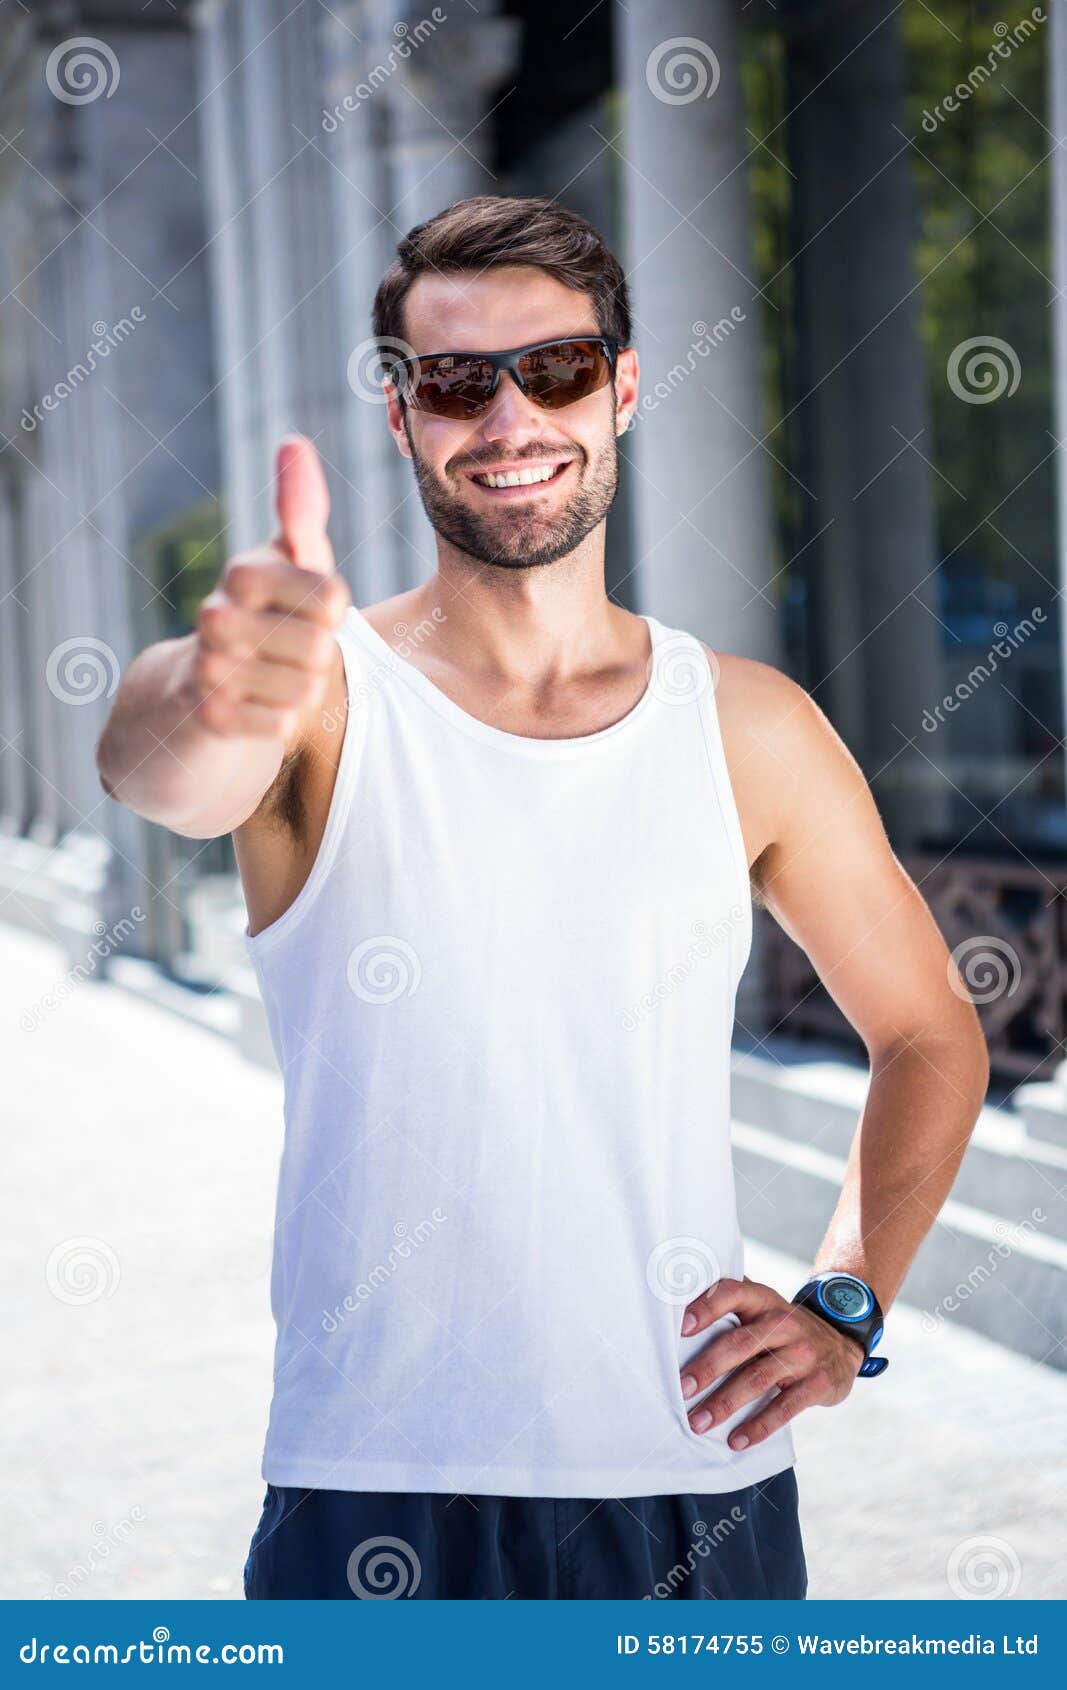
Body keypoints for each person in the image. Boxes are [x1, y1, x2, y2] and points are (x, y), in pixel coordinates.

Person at [96, 195, 989, 1601]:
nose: (509, 419)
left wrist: (845, 1300)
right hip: (373, 1490)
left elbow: (932, 1031)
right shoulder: (325, 703)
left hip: (697, 1488)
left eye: (556, 370)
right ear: (402, 417)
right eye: (456, 382)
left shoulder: (747, 725)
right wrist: (201, 688)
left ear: (624, 389)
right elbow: (163, 767)